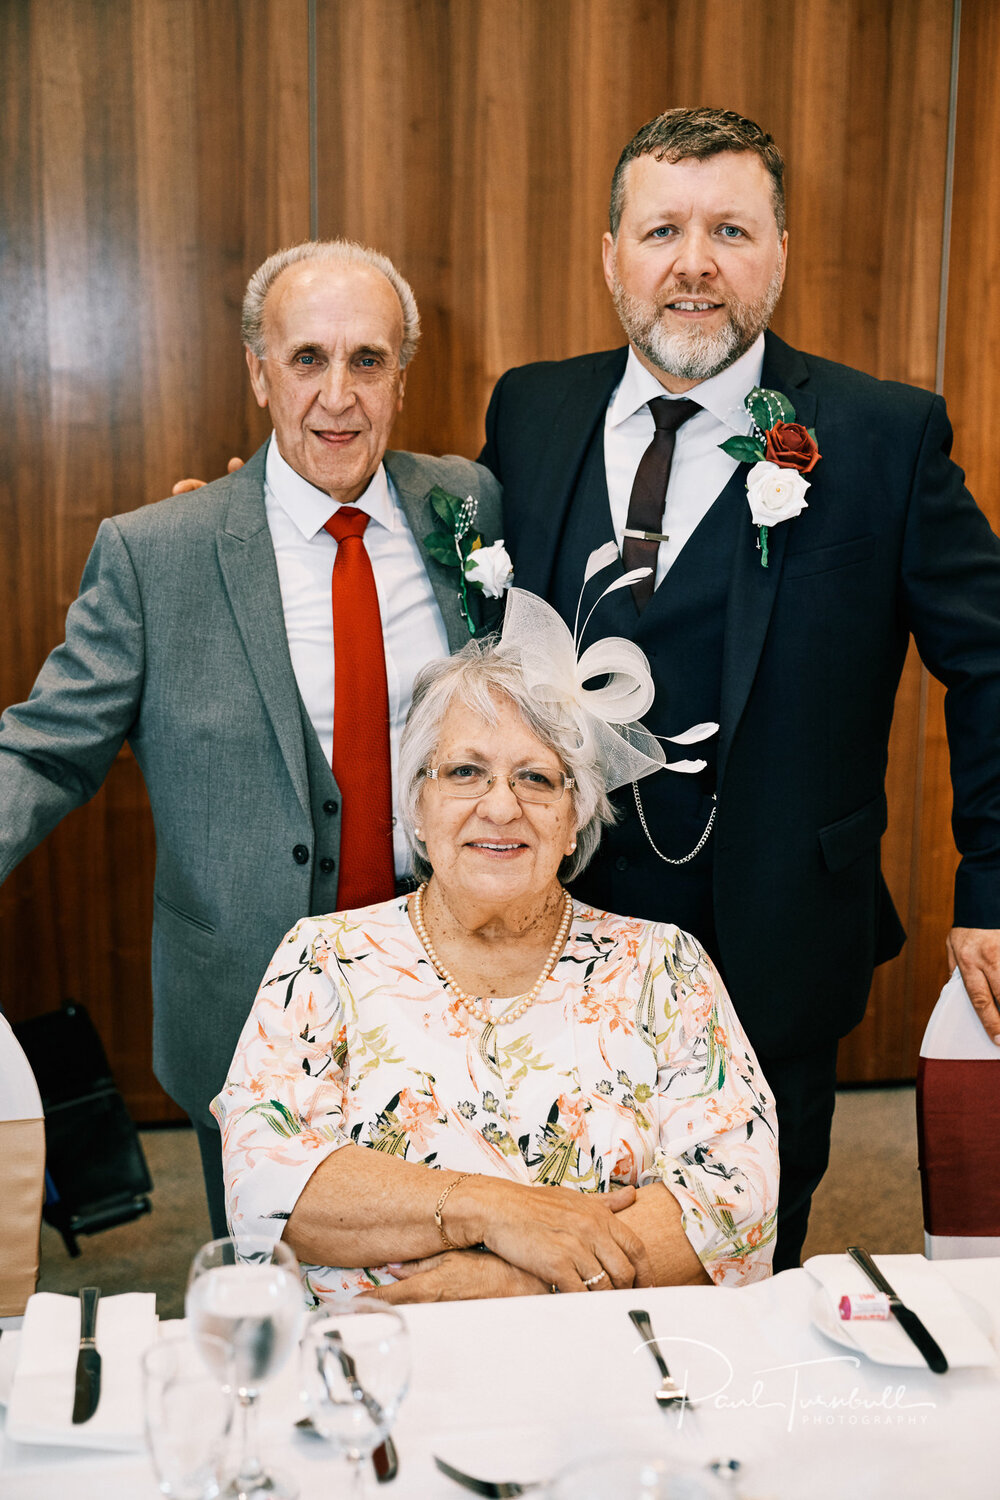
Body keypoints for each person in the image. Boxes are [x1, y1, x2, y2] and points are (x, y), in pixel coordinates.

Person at [478, 107, 1000, 1270]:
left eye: (731, 230)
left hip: (774, 930)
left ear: (777, 251)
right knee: (557, 1233)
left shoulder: (883, 434)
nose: (694, 264)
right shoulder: (530, 408)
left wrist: (993, 882)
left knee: (742, 1250)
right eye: (662, 229)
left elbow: (990, 657)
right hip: (557, 921)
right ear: (611, 252)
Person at [0, 239, 503, 1235]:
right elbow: (45, 749)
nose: (337, 397)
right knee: (264, 1287)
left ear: (401, 376)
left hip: (451, 985)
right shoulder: (157, 557)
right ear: (258, 372)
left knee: (445, 1263)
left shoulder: (467, 507)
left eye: (368, 361)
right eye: (306, 358)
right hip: (245, 1003)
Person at [213, 591, 778, 1299]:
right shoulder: (323, 958)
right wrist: (490, 1209)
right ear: (417, 806)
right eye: (465, 771)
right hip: (375, 1366)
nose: (501, 805)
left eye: (536, 778)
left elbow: (738, 1203)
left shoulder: (664, 966)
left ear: (576, 818)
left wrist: (511, 1286)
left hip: (602, 1369)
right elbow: (265, 1186)